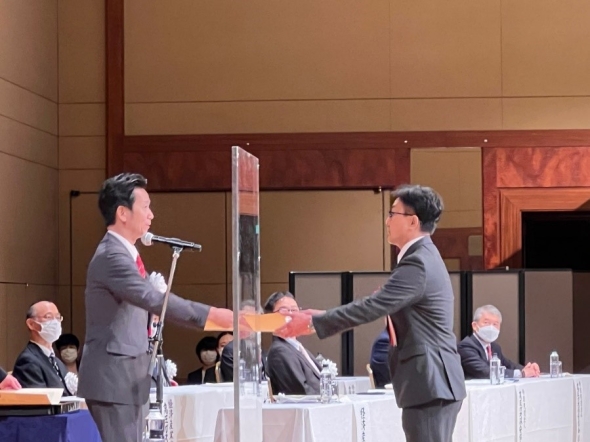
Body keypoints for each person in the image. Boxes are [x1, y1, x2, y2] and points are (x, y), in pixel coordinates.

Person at [277, 184, 466, 442]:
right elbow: (380, 303)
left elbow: (373, 306)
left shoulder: (418, 262)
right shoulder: (424, 256)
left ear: (412, 221)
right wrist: (320, 315)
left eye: (392, 213)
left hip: (430, 381)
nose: (387, 220)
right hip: (433, 381)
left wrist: (313, 322)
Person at [78, 173, 233, 442]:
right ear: (123, 213)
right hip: (114, 379)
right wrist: (213, 316)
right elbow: (152, 298)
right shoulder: (112, 256)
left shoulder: (125, 253)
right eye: (146, 206)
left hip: (128, 378)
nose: (151, 215)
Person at [458, 305, 540, 379]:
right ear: (475, 326)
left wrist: (528, 369)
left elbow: (507, 364)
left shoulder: (494, 347)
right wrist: (521, 374)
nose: (491, 328)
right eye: (486, 323)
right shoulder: (466, 346)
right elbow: (485, 372)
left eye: (495, 324)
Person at [264, 291, 320, 395]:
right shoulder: (279, 351)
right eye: (284, 310)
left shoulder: (298, 347)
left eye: (294, 310)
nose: (291, 314)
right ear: (270, 317)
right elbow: (300, 393)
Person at [12, 301, 73, 395]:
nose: (55, 322)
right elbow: (39, 400)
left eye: (58, 318)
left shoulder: (57, 361)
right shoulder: (28, 361)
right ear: (31, 324)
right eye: (48, 317)